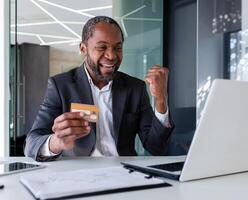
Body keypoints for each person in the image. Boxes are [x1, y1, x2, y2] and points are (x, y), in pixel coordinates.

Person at [24, 16, 174, 161]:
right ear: (83, 49)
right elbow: (31, 144)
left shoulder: (135, 88)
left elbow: (157, 147)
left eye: (118, 48)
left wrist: (161, 99)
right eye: (102, 47)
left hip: (124, 173)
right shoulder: (61, 86)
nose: (111, 55)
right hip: (78, 175)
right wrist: (56, 142)